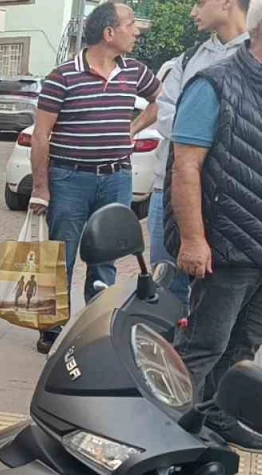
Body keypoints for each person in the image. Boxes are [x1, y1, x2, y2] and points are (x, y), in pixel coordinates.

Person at [30, 1, 160, 354]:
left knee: (107, 255)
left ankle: (97, 325)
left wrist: (132, 129)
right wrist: (41, 188)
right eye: (130, 24)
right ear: (109, 32)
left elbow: (160, 102)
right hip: (69, 179)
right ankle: (51, 327)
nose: (136, 31)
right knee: (62, 255)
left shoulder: (135, 72)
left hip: (116, 178)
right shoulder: (62, 77)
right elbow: (41, 135)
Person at [167, 1, 262, 450]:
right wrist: (193, 239)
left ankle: (216, 417)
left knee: (244, 343)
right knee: (203, 345)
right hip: (225, 247)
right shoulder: (214, 84)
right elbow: (185, 167)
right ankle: (167, 423)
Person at [150, 0, 251, 306]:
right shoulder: (189, 58)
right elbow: (165, 111)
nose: (193, 12)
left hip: (233, 196)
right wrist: (200, 136)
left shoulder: (254, 57)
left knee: (219, 294)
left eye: (200, 3)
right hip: (173, 189)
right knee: (166, 284)